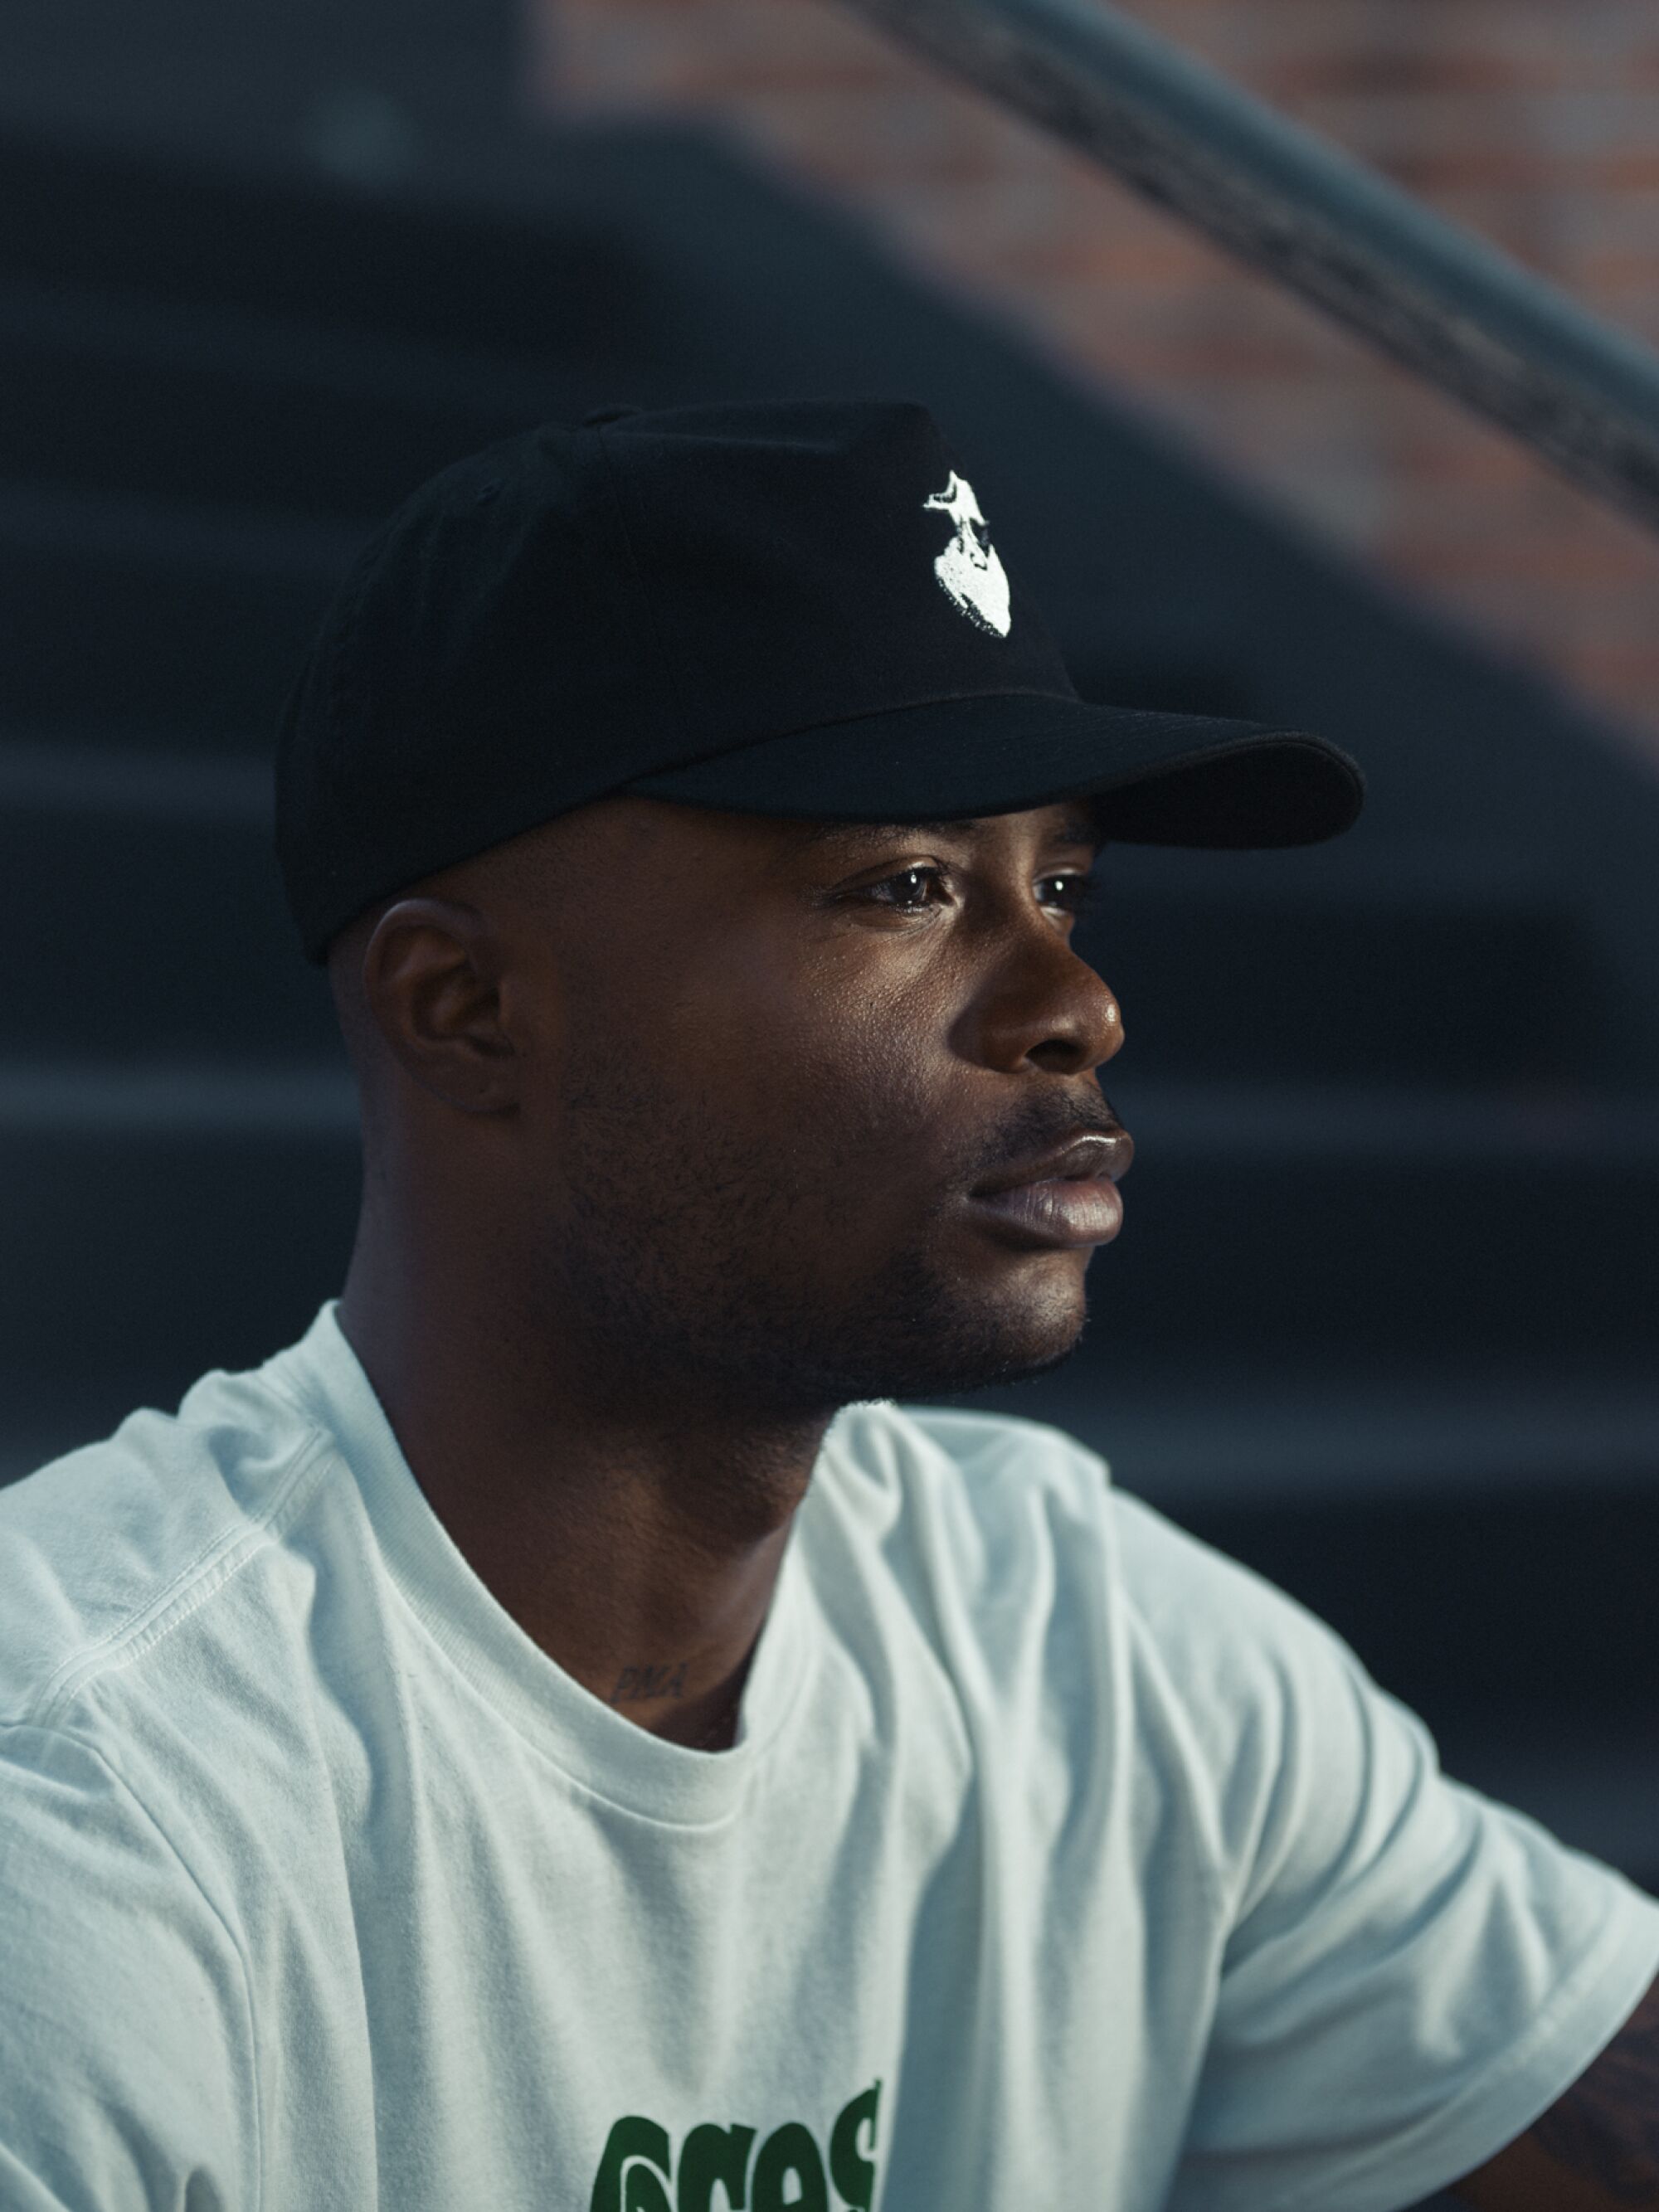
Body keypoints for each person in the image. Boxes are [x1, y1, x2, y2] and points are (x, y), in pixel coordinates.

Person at [1, 399, 1654, 2212]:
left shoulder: (1095, 1651)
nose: (1075, 1001)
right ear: (461, 1009)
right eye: (910, 882)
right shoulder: (86, 1800)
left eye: (1066, 884)